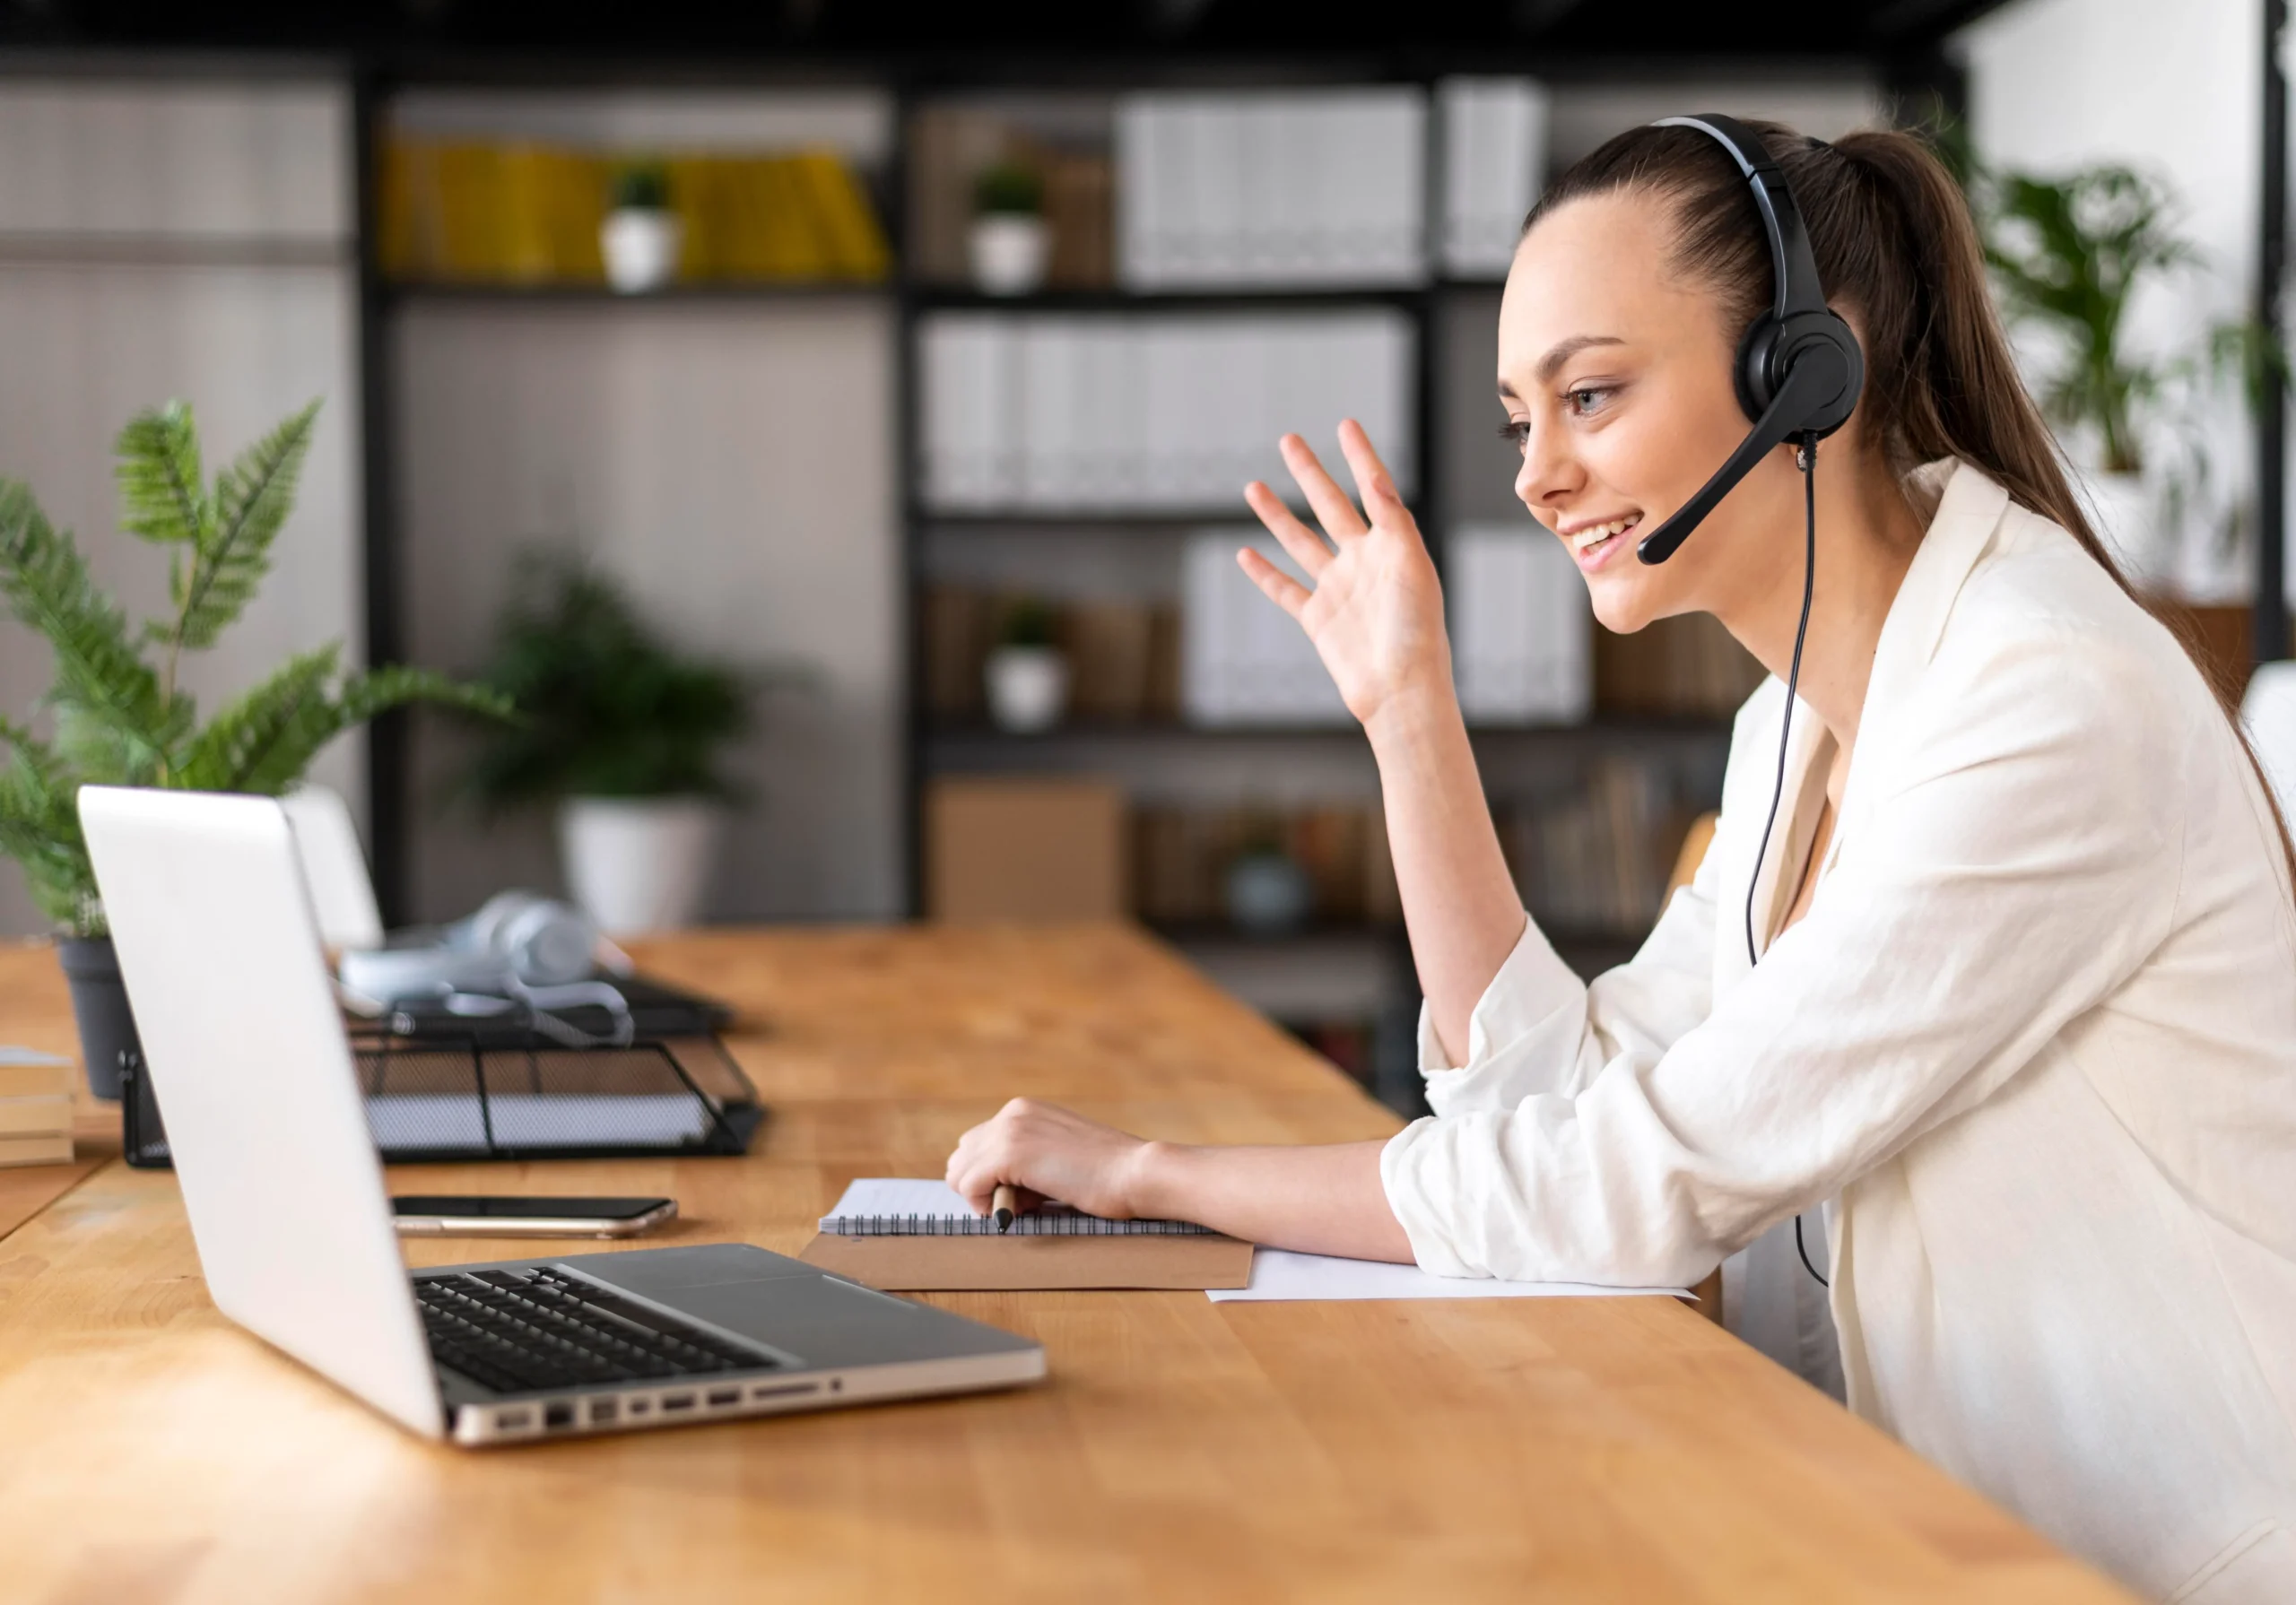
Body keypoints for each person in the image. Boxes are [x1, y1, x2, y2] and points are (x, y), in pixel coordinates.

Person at [944, 119, 2296, 1601]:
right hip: (1944, 1539)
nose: (1538, 474)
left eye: (1590, 393)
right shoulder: (1796, 723)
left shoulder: (2045, 705)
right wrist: (1410, 714)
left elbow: (1637, 1179)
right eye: (1524, 419)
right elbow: (1570, 1104)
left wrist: (1158, 1174)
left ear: (1803, 373)